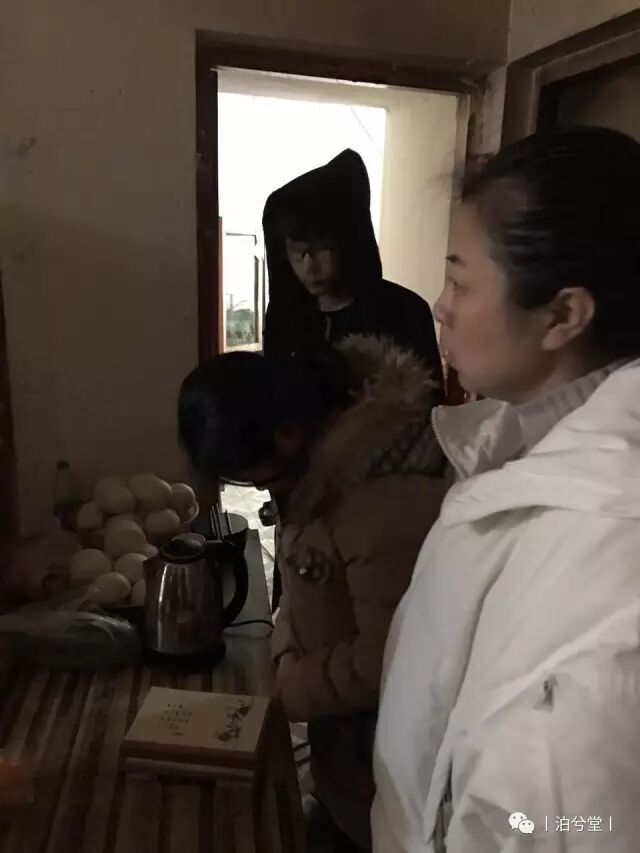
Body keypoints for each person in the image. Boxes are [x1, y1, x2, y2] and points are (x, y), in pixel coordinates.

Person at [372, 125, 640, 853]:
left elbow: (574, 827)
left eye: (461, 282)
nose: (440, 306)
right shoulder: (509, 447)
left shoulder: (613, 557)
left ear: (562, 315)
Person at [178, 336, 445, 852]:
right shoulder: (319, 473)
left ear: (288, 435)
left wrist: (294, 684)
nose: (262, 492)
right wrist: (285, 655)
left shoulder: (387, 502)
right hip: (345, 760)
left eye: (256, 479)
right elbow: (309, 585)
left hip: (388, 771)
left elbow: (394, 656)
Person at [262, 149, 444, 391]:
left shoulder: (405, 311)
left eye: (322, 248)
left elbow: (429, 403)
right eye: (298, 252)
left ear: (346, 243)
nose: (309, 267)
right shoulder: (285, 314)